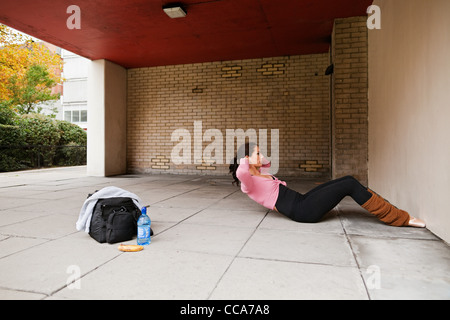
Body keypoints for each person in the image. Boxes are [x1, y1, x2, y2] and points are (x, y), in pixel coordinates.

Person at [229, 142, 426, 228]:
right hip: (303, 212)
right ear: (246, 159)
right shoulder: (247, 183)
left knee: (347, 179)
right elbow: (241, 171)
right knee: (348, 184)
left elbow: (265, 163)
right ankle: (400, 218)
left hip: (302, 201)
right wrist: (246, 158)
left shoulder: (260, 173)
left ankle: (388, 207)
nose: (262, 157)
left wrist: (258, 157)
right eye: (257, 153)